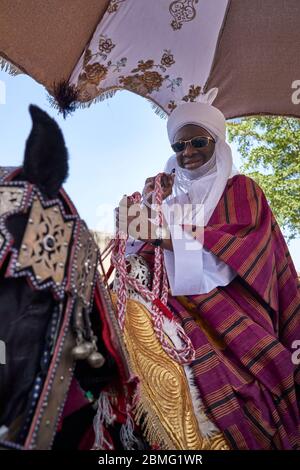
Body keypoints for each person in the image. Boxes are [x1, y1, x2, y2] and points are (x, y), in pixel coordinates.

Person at [117, 91, 300, 450]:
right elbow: (143, 254)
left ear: (217, 142)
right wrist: (149, 202)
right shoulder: (173, 200)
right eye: (179, 145)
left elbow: (235, 254)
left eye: (198, 141)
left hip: (237, 310)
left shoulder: (243, 189)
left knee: (255, 388)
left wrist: (159, 234)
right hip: (177, 306)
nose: (187, 152)